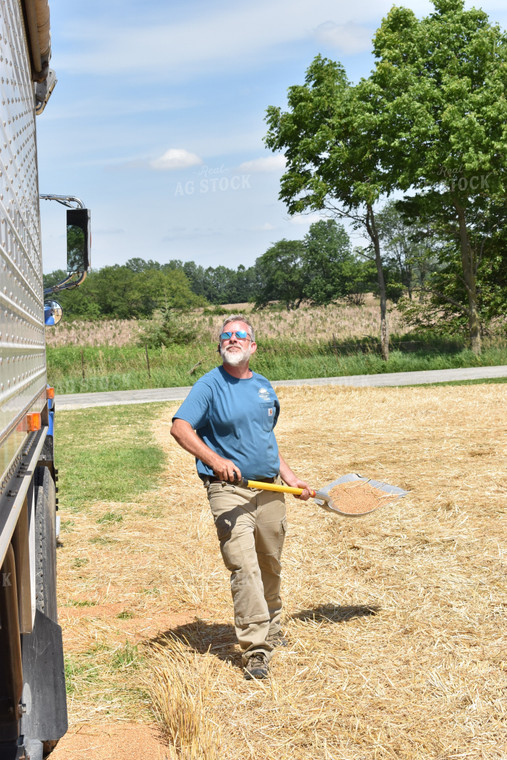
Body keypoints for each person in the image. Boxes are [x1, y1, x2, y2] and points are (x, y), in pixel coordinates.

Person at [170, 315, 312, 680]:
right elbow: (180, 427)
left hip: (271, 489)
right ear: (220, 345)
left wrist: (291, 477)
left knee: (270, 564)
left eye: (241, 335)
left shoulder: (264, 387)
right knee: (244, 567)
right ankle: (255, 650)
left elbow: (264, 439)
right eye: (226, 335)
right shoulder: (209, 385)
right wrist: (215, 460)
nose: (233, 339)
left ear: (253, 347)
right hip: (228, 491)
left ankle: (273, 627)